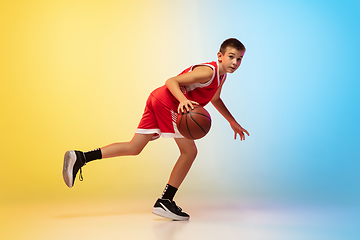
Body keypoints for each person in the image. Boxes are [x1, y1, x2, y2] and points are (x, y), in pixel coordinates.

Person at [62, 38, 250, 221]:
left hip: (157, 98)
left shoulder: (221, 76)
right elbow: (172, 81)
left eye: (239, 59)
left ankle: (80, 157)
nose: (235, 62)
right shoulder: (208, 72)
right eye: (231, 56)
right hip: (168, 102)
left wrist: (231, 122)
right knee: (189, 151)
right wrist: (183, 100)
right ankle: (165, 201)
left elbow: (215, 99)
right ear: (220, 55)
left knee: (134, 147)